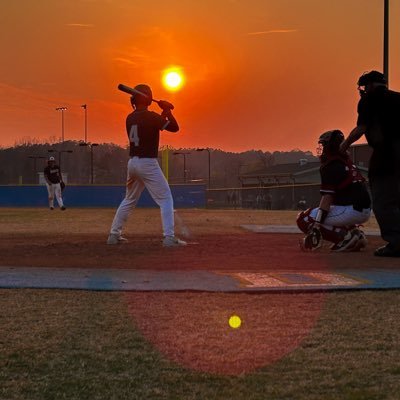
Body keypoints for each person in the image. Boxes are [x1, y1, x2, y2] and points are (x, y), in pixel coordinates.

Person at [107, 84, 187, 247]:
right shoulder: (150, 117)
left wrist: (164, 111)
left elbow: (157, 123)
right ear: (147, 99)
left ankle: (114, 235)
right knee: (165, 198)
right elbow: (174, 127)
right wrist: (167, 111)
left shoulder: (130, 118)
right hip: (147, 163)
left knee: (129, 199)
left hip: (133, 163)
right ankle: (169, 237)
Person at [340, 70, 400, 257]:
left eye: (365, 87)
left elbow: (361, 129)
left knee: (383, 202)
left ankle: (396, 243)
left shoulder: (369, 100)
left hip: (387, 157)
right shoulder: (398, 98)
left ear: (371, 86)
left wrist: (343, 146)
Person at [297, 130, 371, 252]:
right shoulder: (345, 160)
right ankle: (354, 232)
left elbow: (327, 197)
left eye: (324, 145)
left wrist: (316, 224)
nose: (322, 148)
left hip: (353, 209)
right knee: (334, 208)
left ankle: (345, 238)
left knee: (304, 218)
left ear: (330, 146)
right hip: (363, 208)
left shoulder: (330, 165)